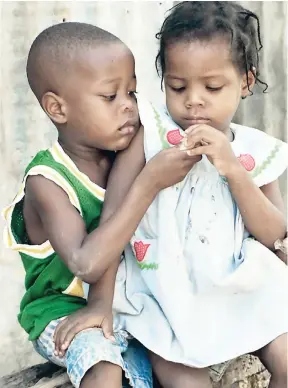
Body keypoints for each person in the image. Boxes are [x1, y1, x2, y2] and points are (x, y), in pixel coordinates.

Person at [54, 3, 288, 388]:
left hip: (236, 287)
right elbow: (115, 221)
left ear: (246, 82)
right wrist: (100, 303)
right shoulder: (147, 136)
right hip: (163, 297)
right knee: (185, 382)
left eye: (212, 87)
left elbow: (273, 232)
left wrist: (233, 169)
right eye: (178, 86)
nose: (194, 100)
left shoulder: (255, 151)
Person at [2, 21, 199, 388]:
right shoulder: (48, 181)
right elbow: (86, 263)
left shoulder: (125, 151)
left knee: (184, 363)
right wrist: (149, 182)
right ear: (57, 108)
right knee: (103, 365)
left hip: (130, 302)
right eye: (110, 97)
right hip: (64, 314)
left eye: (132, 92)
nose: (128, 106)